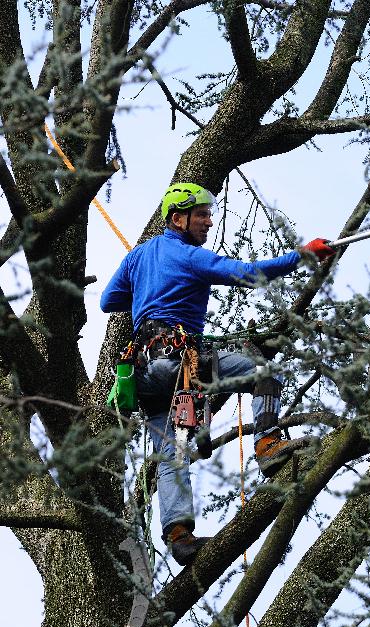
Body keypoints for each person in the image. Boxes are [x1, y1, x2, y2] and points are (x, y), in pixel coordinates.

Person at [100, 182, 335, 565]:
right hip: (178, 363)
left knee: (172, 448)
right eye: (202, 215)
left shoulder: (138, 257)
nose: (210, 222)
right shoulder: (192, 257)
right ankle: (267, 445)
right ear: (178, 218)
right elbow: (248, 273)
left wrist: (147, 286)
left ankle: (179, 536)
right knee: (265, 370)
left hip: (146, 373)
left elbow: (110, 300)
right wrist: (302, 256)